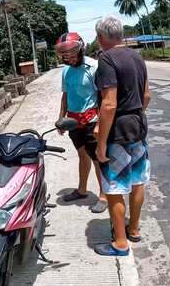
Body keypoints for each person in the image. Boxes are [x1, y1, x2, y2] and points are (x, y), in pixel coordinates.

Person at [93, 16, 151, 256]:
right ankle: (134, 230)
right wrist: (134, 115)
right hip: (138, 127)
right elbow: (146, 96)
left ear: (100, 37)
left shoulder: (107, 59)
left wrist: (102, 141)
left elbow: (109, 105)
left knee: (114, 186)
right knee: (137, 180)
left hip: (117, 130)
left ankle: (120, 242)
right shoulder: (137, 57)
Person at [56, 32, 108, 213]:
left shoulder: (94, 67)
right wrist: (61, 118)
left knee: (97, 159)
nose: (69, 58)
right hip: (73, 121)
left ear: (80, 50)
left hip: (92, 119)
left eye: (72, 54)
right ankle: (82, 190)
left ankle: (104, 195)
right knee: (82, 155)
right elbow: (65, 96)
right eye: (66, 55)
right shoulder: (66, 71)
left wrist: (100, 123)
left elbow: (102, 97)